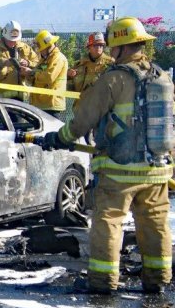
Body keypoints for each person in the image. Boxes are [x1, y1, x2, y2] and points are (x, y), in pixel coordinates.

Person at [43, 17, 172, 294]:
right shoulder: (162, 77)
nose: (110, 52)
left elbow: (84, 119)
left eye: (112, 47)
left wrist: (60, 138)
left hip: (118, 169)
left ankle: (102, 282)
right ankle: (158, 279)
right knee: (155, 222)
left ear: (122, 46)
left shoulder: (114, 79)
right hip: (157, 167)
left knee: (109, 223)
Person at [0, 20, 39, 101]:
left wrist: (28, 63)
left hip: (20, 98)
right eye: (10, 40)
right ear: (4, 36)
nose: (13, 43)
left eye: (15, 40)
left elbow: (37, 62)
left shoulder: (25, 48)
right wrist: (3, 62)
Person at [67, 32, 114, 110]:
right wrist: (68, 76)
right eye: (95, 45)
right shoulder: (80, 65)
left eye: (101, 45)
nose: (99, 47)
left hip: (101, 112)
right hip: (81, 110)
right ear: (89, 47)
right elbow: (70, 89)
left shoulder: (111, 64)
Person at [30, 30, 68, 119]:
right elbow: (37, 74)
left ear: (48, 46)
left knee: (51, 132)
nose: (40, 51)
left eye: (40, 48)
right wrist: (28, 74)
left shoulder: (58, 58)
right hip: (42, 104)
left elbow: (49, 77)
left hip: (52, 105)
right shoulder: (45, 59)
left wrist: (31, 73)